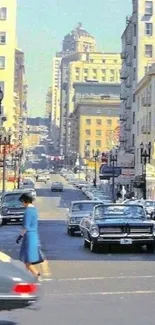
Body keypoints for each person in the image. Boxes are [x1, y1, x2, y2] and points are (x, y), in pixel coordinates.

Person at [16, 193, 42, 278]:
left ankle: (36, 274)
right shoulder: (34, 210)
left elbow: (26, 227)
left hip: (29, 237)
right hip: (34, 235)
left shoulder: (28, 211)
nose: (22, 203)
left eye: (22, 201)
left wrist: (20, 236)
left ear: (25, 201)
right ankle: (26, 276)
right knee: (28, 258)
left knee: (27, 260)